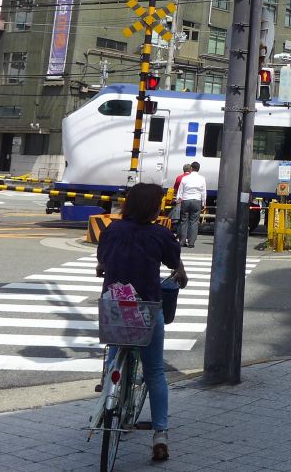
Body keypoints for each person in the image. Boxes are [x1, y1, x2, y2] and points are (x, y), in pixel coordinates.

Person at [96, 182, 188, 462]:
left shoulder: (112, 230)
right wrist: (181, 273)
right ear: (153, 208)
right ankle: (160, 434)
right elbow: (175, 262)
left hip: (115, 306)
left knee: (114, 359)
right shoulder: (160, 234)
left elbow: (101, 260)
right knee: (155, 372)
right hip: (146, 307)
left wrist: (104, 267)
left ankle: (110, 402)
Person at [175, 161, 207, 248]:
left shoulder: (185, 178)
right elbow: (203, 191)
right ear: (198, 169)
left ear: (191, 168)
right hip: (197, 201)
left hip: (186, 200)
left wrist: (178, 199)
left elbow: (180, 190)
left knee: (184, 221)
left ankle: (182, 241)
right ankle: (191, 243)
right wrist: (204, 202)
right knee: (194, 222)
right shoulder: (202, 178)